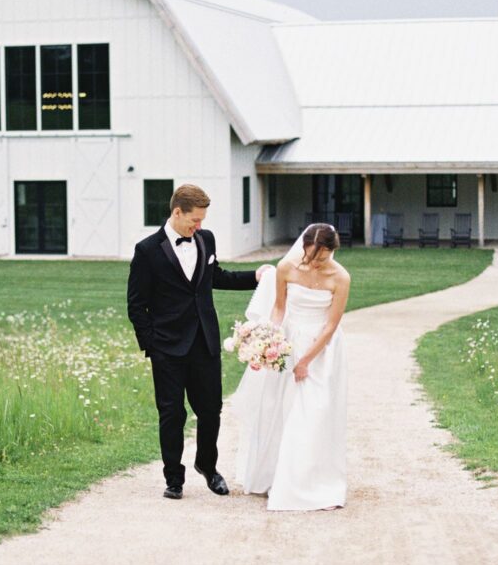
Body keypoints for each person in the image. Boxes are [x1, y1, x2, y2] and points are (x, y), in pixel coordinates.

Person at [127, 183, 272, 500]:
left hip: (204, 342)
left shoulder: (206, 240)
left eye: (203, 220)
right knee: (172, 414)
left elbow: (216, 276)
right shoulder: (147, 250)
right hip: (167, 347)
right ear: (177, 212)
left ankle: (208, 466)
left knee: (211, 411)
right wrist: (152, 345)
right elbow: (136, 306)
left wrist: (255, 277)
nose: (199, 226)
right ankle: (173, 479)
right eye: (195, 220)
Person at [234, 223, 350, 510]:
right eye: (311, 256)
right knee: (280, 409)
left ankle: (310, 482)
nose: (315, 263)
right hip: (288, 343)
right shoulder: (287, 267)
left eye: (323, 258)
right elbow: (279, 308)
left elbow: (332, 325)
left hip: (321, 349)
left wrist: (306, 361)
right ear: (304, 246)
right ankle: (278, 476)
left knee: (313, 412)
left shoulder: (341, 277)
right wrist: (268, 338)